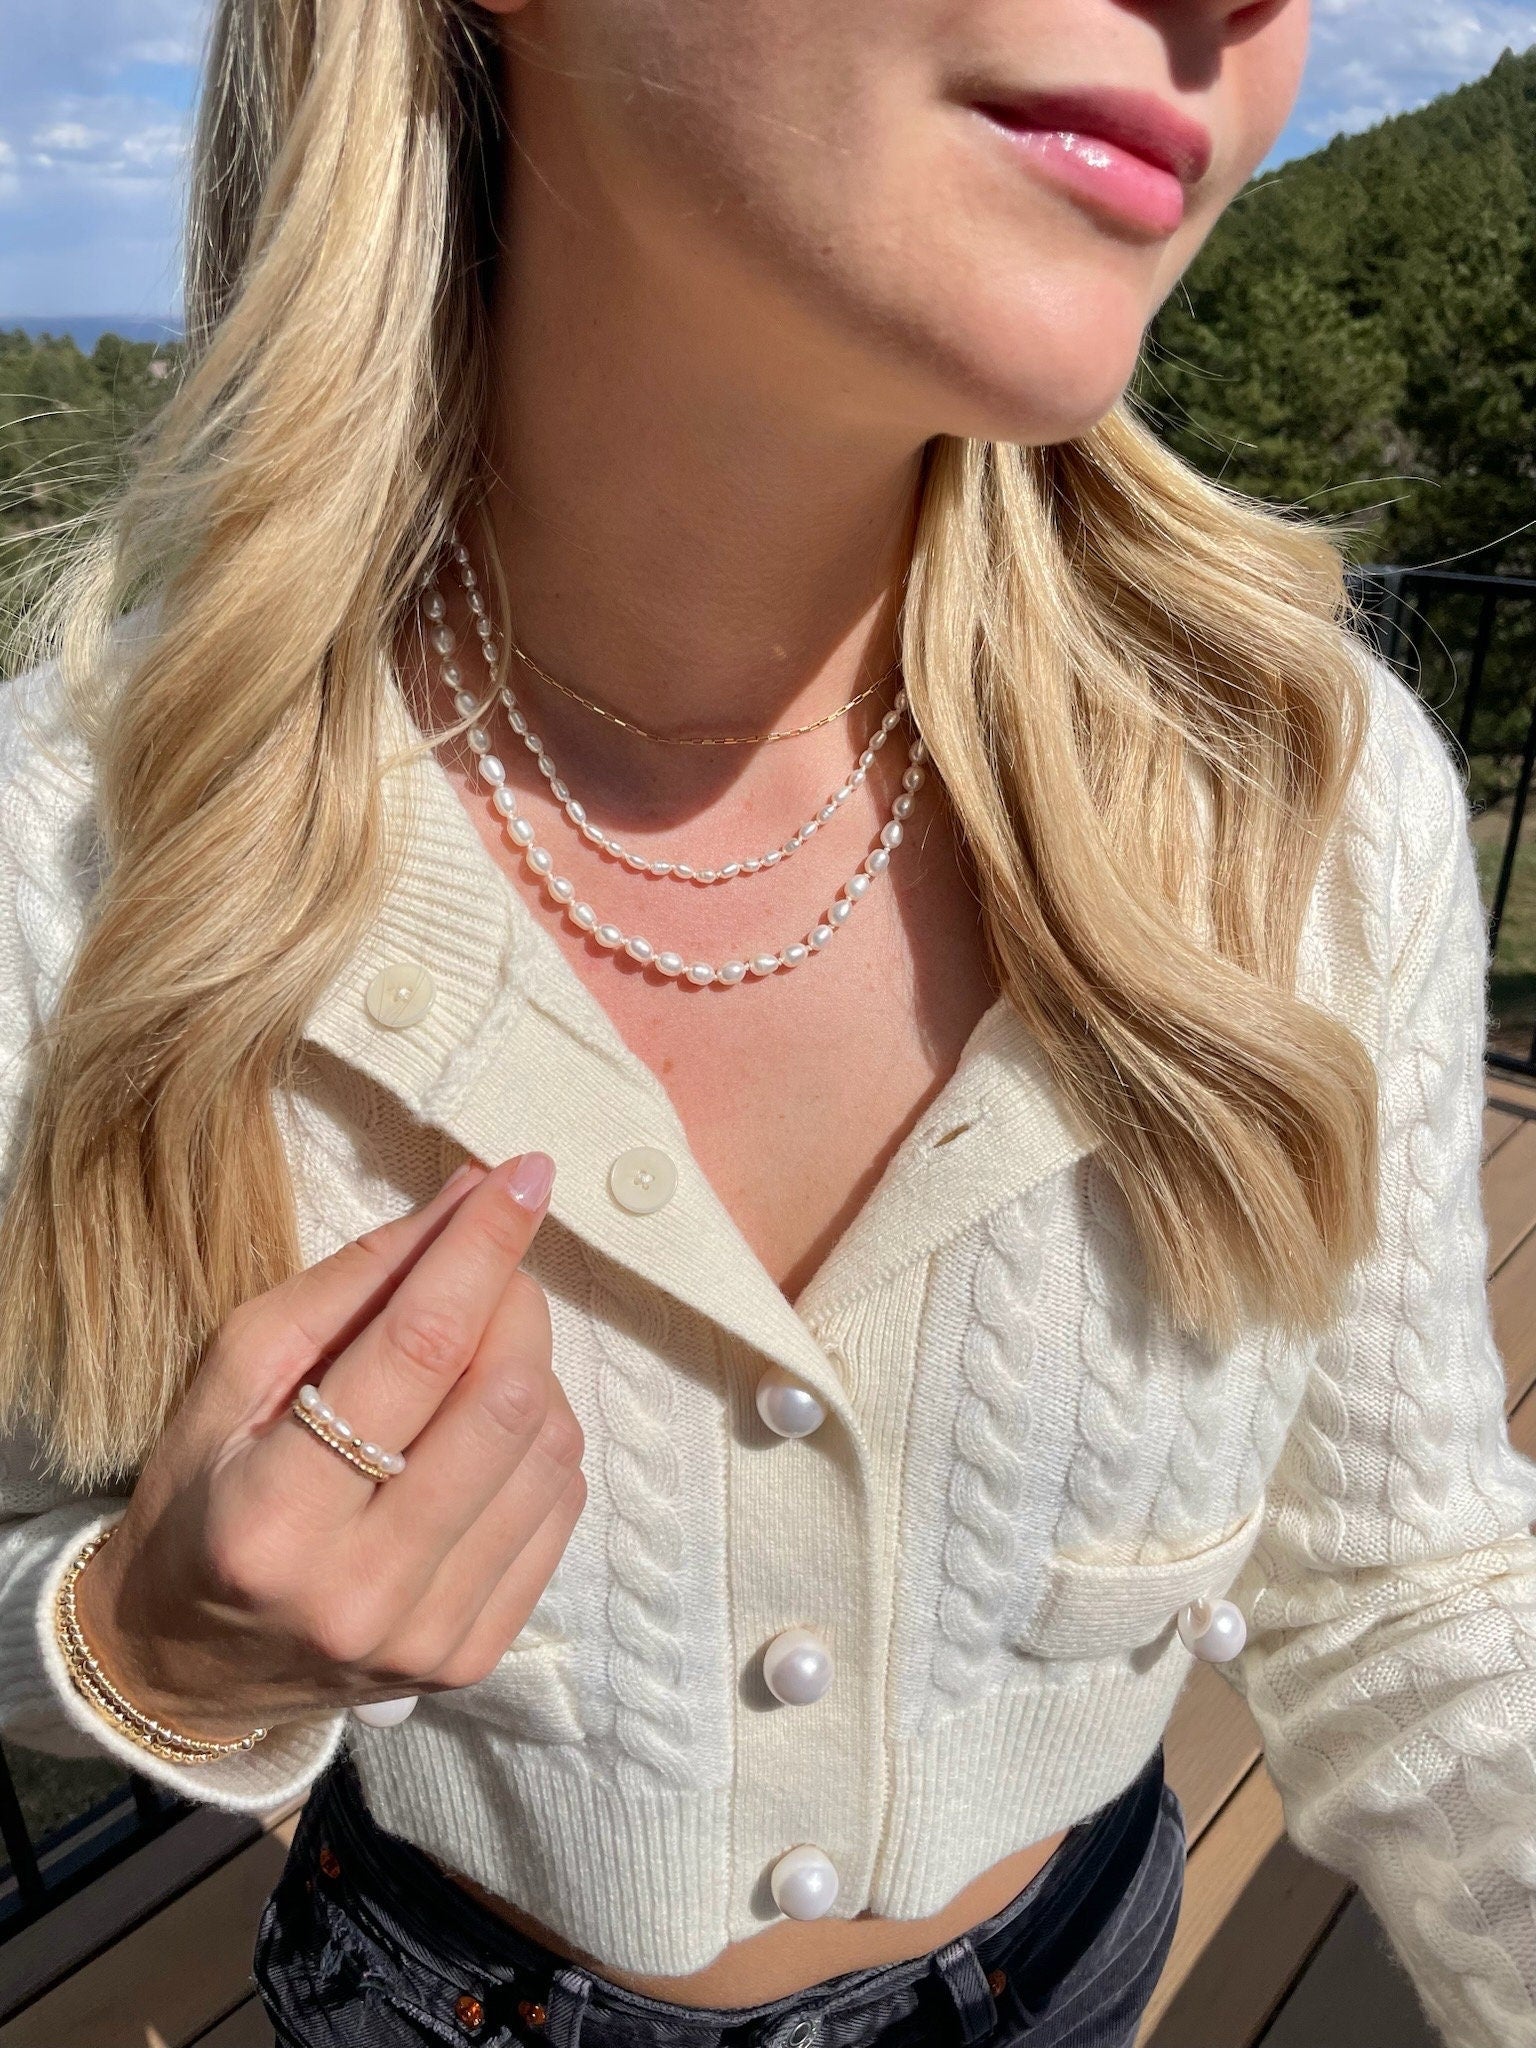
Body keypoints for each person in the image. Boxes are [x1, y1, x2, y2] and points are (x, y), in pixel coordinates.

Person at [4, 1, 1536, 2044]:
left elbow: (1413, 1591)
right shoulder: (70, 854)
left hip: (1079, 1968)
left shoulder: (1307, 805)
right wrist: (142, 1648)